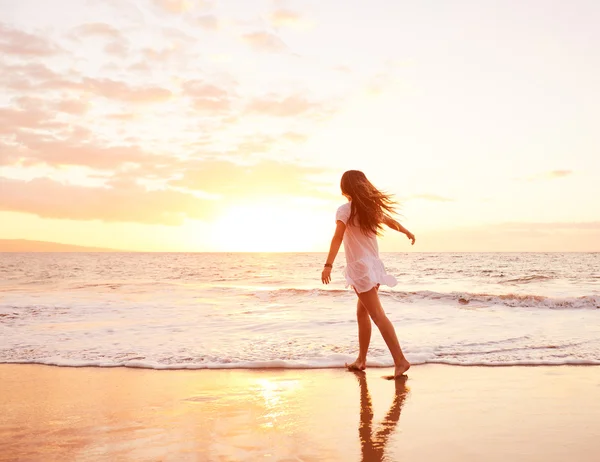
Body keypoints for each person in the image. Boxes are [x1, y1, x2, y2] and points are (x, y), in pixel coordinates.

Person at [321, 170, 415, 379]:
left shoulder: (345, 210)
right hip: (373, 267)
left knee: (377, 315)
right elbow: (390, 221)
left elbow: (337, 237)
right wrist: (406, 231)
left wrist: (328, 264)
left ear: (345, 189)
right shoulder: (369, 210)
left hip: (360, 269)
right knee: (362, 313)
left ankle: (400, 360)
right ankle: (361, 360)